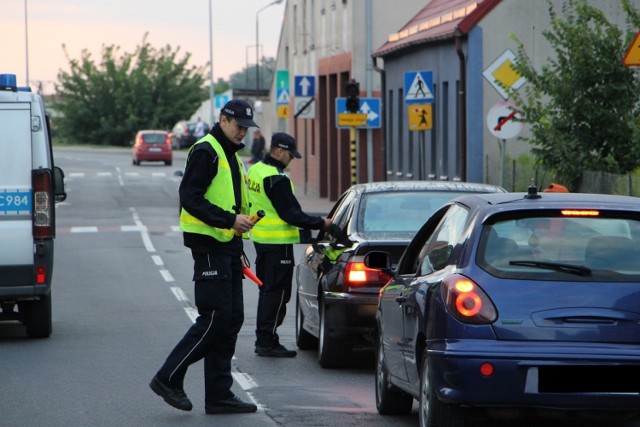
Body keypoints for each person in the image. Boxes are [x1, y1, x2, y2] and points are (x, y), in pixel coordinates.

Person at [149, 99, 259, 415]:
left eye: (246, 128)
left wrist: (237, 250)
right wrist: (228, 221)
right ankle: (167, 377)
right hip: (209, 247)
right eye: (238, 126)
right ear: (223, 119)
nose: (243, 133)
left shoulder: (231, 156)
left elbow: (232, 204)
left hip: (226, 249)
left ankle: (219, 395)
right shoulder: (206, 151)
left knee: (232, 319)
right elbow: (190, 199)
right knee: (215, 318)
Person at [247, 132, 332, 357]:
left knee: (267, 292)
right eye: (289, 155)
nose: (291, 160)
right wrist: (322, 223)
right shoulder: (277, 179)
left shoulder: (256, 170)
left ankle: (264, 338)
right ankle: (267, 341)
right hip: (278, 244)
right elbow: (291, 214)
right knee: (278, 294)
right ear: (278, 151)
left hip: (261, 241)